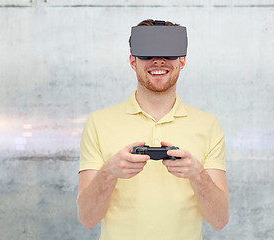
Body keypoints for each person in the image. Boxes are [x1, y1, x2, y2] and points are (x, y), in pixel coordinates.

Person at [77, 19, 229, 240]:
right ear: (132, 61)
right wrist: (109, 172)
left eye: (168, 54)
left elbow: (220, 220)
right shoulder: (98, 122)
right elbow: (87, 218)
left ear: (182, 61)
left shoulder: (208, 125)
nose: (158, 61)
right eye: (147, 54)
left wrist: (197, 174)